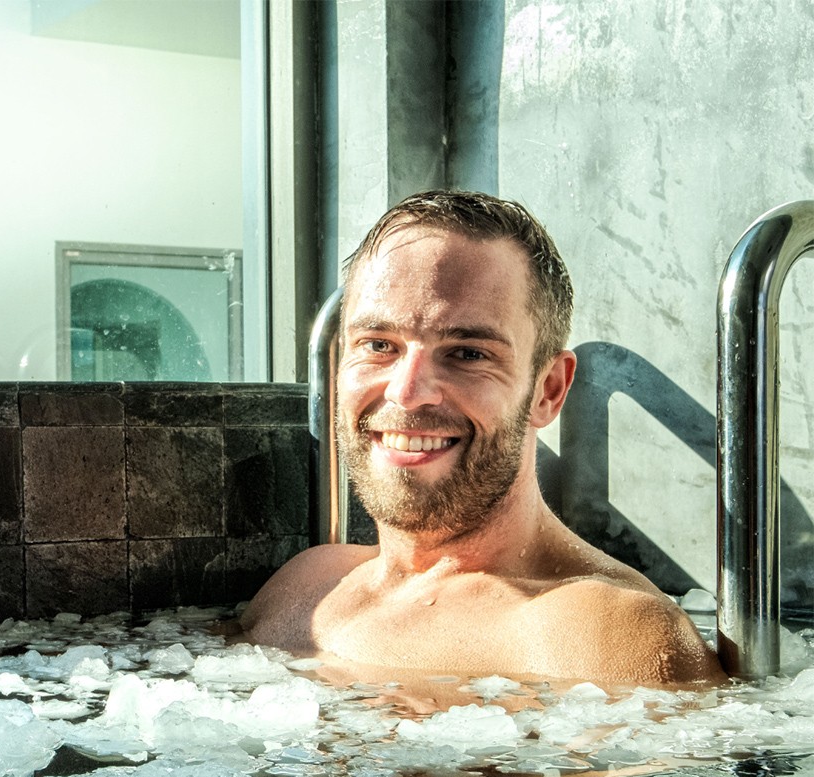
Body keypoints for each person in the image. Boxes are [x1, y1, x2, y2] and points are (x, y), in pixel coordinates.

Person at [242, 190, 723, 686]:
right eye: (379, 345)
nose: (406, 394)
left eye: (467, 353)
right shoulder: (305, 587)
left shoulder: (606, 638)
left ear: (548, 391)